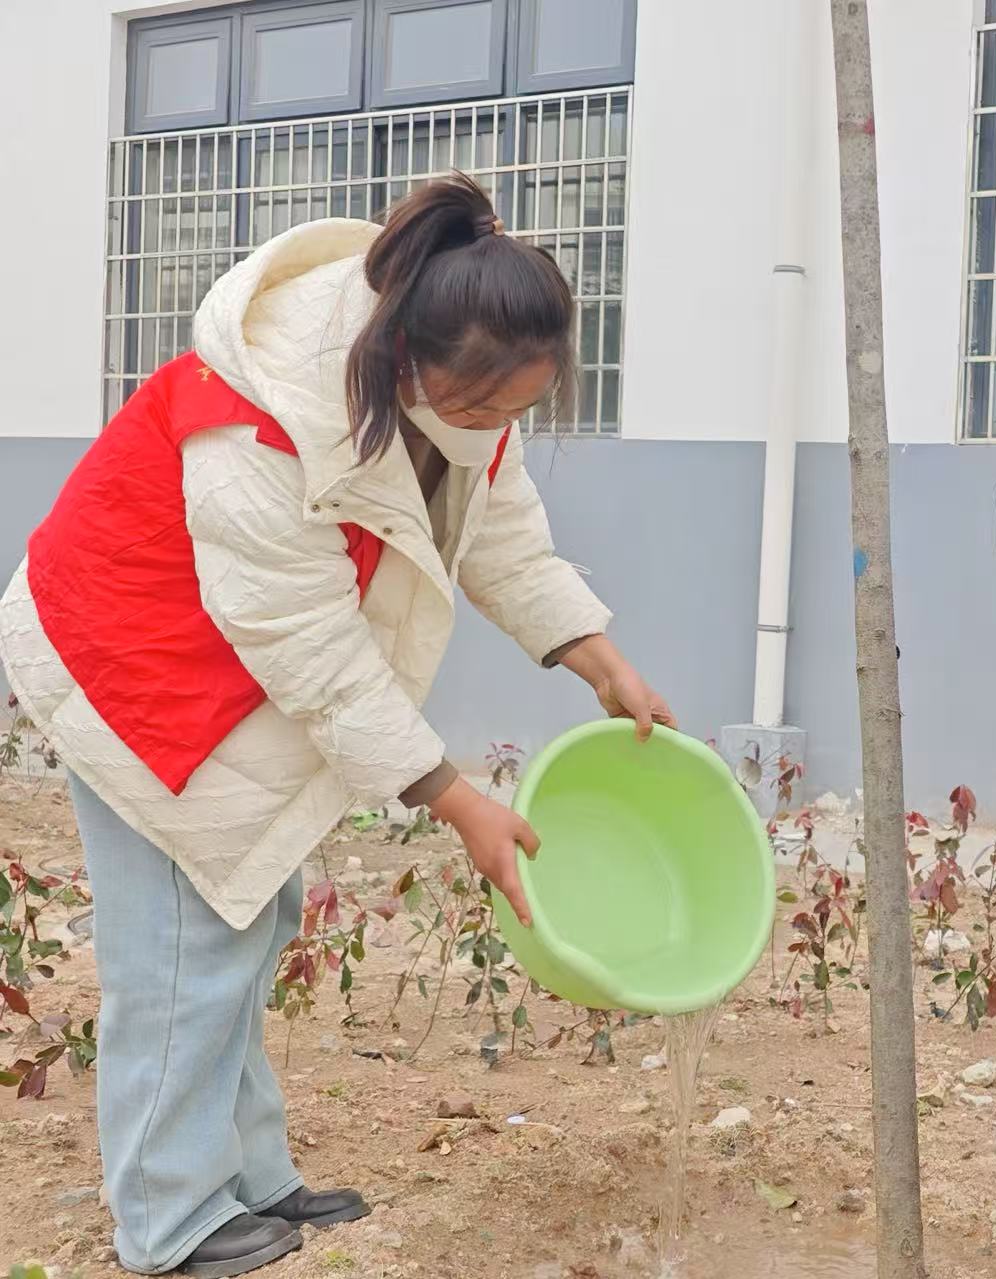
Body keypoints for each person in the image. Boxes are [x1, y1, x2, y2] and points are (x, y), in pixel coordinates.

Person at [0, 173, 672, 1278]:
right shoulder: (258, 414)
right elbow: (306, 644)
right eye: (481, 410)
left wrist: (598, 658)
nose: (497, 431)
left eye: (518, 411)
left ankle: (247, 1175)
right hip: (133, 659)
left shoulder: (465, 386)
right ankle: (168, 1217)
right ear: (403, 359)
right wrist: (453, 798)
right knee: (184, 945)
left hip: (233, 657)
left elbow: (501, 531)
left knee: (252, 916)